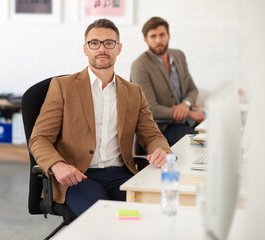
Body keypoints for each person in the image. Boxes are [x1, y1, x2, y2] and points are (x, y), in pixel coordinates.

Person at [29, 18, 172, 216]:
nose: (101, 49)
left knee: (147, 215)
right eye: (94, 43)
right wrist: (58, 165)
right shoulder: (63, 87)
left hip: (122, 175)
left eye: (109, 43)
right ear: (85, 49)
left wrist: (161, 150)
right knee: (105, 219)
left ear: (119, 48)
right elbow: (39, 138)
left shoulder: (133, 92)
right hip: (79, 177)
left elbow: (152, 135)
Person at [131, 17, 204, 147]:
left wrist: (185, 104)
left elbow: (192, 89)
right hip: (161, 129)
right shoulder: (140, 65)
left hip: (186, 122)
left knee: (218, 132)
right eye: (153, 36)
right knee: (200, 144)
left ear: (169, 36)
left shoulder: (179, 56)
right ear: (145, 40)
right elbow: (150, 108)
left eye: (162, 35)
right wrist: (189, 113)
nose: (158, 40)